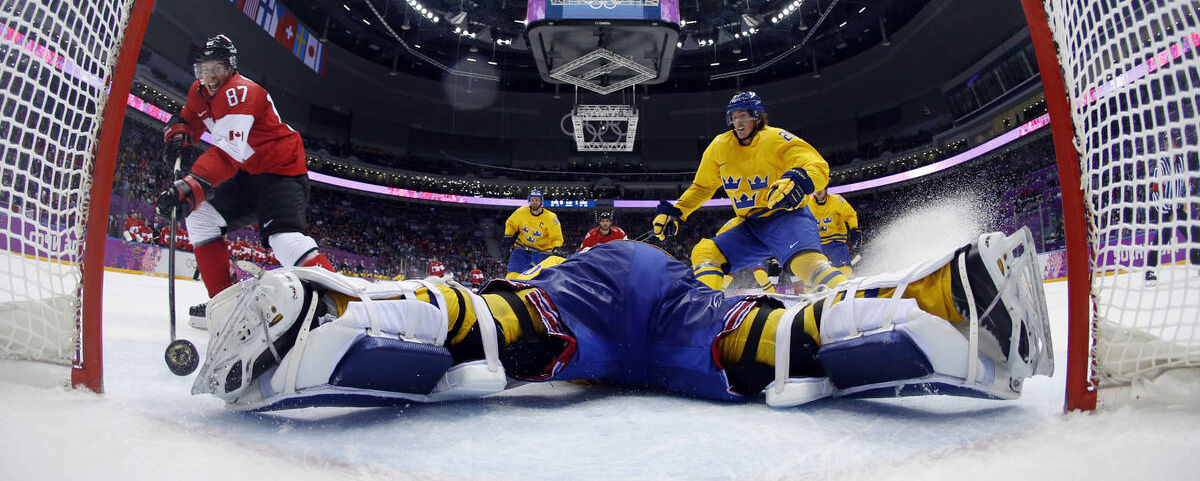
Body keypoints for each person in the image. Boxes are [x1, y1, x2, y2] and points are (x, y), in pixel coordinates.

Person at [191, 228, 1054, 412]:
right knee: (772, 342)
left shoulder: (553, 254)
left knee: (494, 324)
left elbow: (513, 288)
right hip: (665, 287)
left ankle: (325, 307)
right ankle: (954, 293)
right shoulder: (676, 252)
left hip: (590, 293)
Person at [156, 34, 334, 328]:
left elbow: (227, 154)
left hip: (281, 173)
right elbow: (189, 118)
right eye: (204, 69)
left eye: (217, 69)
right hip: (248, 173)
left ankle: (342, 305)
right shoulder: (199, 91)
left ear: (231, 68)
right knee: (200, 218)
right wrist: (178, 132)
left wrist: (191, 186)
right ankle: (227, 305)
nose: (210, 77)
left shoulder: (241, 91)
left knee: (284, 241)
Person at [653, 91, 845, 292]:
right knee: (705, 252)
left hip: (787, 218)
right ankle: (705, 306)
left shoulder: (775, 138)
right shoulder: (719, 146)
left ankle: (851, 295)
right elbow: (703, 187)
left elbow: (818, 167)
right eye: (734, 117)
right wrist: (677, 211)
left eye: (743, 115)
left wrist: (798, 180)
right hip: (752, 226)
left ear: (758, 116)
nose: (738, 122)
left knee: (807, 265)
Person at [1145, 128, 1188, 284]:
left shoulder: (1182, 162)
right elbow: (1155, 193)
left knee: (1193, 233)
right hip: (1163, 210)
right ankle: (1150, 271)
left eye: (1173, 143)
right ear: (1164, 146)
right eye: (1167, 143)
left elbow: (1184, 184)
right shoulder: (1160, 167)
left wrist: (1183, 203)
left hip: (1178, 207)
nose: (1171, 146)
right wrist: (1168, 212)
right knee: (1162, 239)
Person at [502, 189, 563, 277]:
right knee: (512, 275)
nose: (534, 202)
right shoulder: (521, 212)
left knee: (538, 277)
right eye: (532, 200)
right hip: (521, 249)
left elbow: (556, 236)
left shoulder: (551, 217)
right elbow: (511, 223)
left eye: (537, 200)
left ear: (541, 201)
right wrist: (508, 235)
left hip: (542, 252)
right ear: (529, 201)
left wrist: (556, 247)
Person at [805, 187, 859, 277]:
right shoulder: (808, 204)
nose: (818, 190)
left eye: (821, 187)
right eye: (816, 188)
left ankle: (845, 286)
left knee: (843, 270)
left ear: (826, 188)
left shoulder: (837, 200)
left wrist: (854, 229)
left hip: (836, 243)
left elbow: (850, 215)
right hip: (817, 245)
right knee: (815, 274)